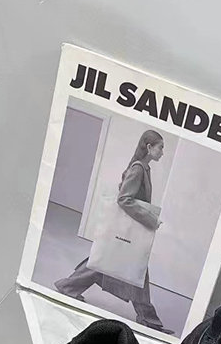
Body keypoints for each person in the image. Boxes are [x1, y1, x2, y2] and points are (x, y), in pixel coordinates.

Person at [54, 129, 173, 333]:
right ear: (149, 147)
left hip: (128, 231)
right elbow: (123, 198)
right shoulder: (139, 169)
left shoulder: (143, 168)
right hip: (130, 230)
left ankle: (68, 286)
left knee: (108, 262)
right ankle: (148, 319)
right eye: (160, 147)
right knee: (128, 267)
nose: (162, 152)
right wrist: (151, 219)